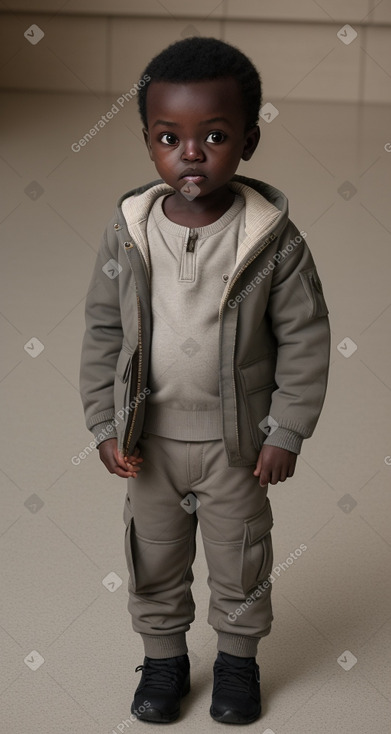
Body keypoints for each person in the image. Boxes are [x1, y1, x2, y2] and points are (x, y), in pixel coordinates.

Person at [79, 36, 331, 725]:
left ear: (247, 141)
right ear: (148, 143)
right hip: (149, 444)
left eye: (214, 135)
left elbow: (305, 338)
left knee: (240, 559)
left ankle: (236, 666)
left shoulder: (271, 239)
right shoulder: (128, 232)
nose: (191, 153)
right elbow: (104, 330)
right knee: (153, 556)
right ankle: (162, 664)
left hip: (236, 448)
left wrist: (285, 430)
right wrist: (104, 422)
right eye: (170, 137)